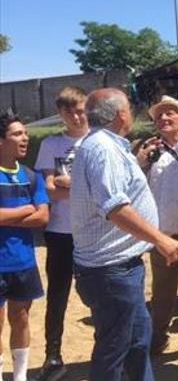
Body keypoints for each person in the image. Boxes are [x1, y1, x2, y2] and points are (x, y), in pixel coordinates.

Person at [69, 89, 178, 381]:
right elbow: (115, 207)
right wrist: (160, 238)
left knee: (136, 343)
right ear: (121, 114)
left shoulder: (107, 146)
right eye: (130, 108)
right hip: (110, 272)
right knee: (114, 350)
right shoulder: (103, 149)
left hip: (118, 269)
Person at [132, 96, 178, 357]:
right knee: (162, 294)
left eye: (169, 114)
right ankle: (158, 337)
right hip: (160, 236)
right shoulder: (144, 148)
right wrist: (141, 161)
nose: (163, 119)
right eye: (158, 116)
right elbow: (133, 185)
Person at [33, 86, 88, 381]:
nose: (76, 116)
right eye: (69, 112)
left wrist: (69, 183)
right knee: (57, 294)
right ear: (61, 114)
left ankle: (111, 347)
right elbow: (51, 190)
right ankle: (53, 354)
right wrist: (83, 187)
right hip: (60, 232)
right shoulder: (52, 145)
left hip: (93, 231)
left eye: (80, 109)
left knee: (101, 294)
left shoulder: (99, 140)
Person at [0, 113, 49, 381]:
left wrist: (9, 215)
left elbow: (42, 217)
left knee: (21, 319)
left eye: (25, 133)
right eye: (17, 134)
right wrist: (26, 209)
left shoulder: (31, 175)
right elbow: (34, 211)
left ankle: (19, 377)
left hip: (23, 262)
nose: (25, 138)